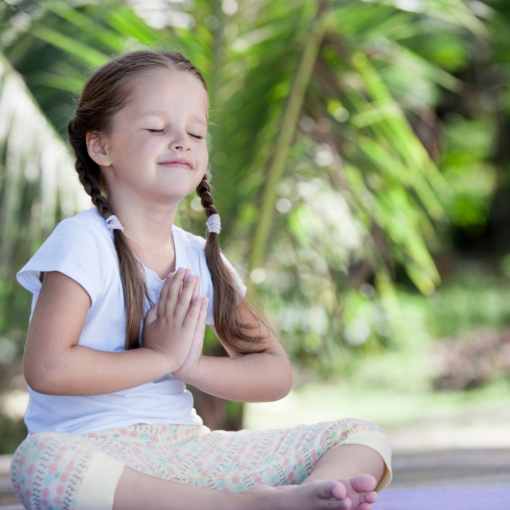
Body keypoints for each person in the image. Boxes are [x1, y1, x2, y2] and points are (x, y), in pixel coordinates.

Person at [9, 49, 393, 510]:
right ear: (101, 146)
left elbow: (273, 373)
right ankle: (251, 505)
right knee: (39, 462)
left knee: (360, 437)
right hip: (97, 456)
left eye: (195, 131)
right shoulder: (82, 241)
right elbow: (48, 369)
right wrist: (160, 355)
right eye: (156, 128)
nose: (181, 142)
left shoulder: (200, 256)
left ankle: (307, 500)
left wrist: (188, 366)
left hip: (187, 452)